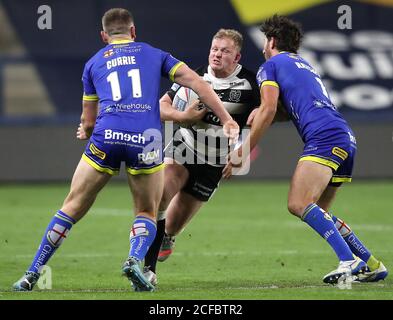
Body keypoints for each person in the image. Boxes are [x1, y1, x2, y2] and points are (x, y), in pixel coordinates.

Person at [13, 8, 239, 292]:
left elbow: (88, 120)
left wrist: (85, 129)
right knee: (147, 210)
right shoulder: (154, 54)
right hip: (145, 139)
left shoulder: (94, 63)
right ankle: (134, 260)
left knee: (71, 206)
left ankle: (32, 273)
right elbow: (197, 82)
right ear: (133, 32)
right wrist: (228, 118)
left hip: (106, 137)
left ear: (104, 36)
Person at [224, 15, 388, 284]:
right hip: (345, 137)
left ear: (272, 41)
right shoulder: (304, 65)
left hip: (324, 137)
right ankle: (371, 263)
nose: (265, 47)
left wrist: (243, 150)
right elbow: (286, 111)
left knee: (298, 203)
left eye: (266, 41)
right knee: (319, 211)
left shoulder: (271, 65)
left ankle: (348, 261)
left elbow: (268, 110)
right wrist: (266, 112)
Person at [140, 29, 264, 285]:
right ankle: (148, 271)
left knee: (172, 224)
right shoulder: (195, 78)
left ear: (237, 56)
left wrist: (246, 144)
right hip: (183, 148)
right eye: (214, 49)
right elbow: (161, 107)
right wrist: (183, 117)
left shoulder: (251, 84)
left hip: (215, 163)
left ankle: (168, 236)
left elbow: (272, 112)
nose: (217, 54)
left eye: (224, 51)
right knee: (161, 197)